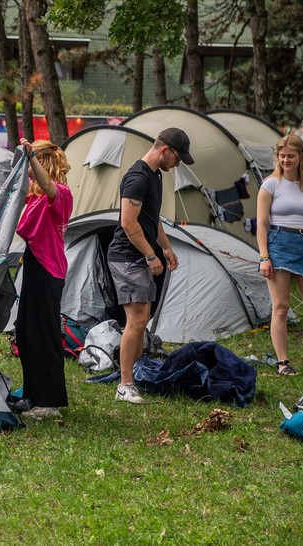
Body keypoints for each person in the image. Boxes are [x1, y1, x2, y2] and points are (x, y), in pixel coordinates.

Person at [108, 127, 195, 404]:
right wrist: (150, 254)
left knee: (141, 319)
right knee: (135, 321)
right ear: (165, 150)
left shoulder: (156, 176)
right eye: (178, 158)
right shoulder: (137, 178)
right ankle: (124, 385)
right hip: (126, 257)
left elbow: (151, 218)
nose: (177, 164)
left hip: (137, 256)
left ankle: (132, 374)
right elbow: (128, 223)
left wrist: (166, 247)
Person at [11, 137, 73, 421]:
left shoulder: (60, 193)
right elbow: (7, 187)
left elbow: (47, 185)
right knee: (25, 331)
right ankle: (32, 395)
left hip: (50, 270)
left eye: (31, 164)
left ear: (42, 163)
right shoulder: (34, 197)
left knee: (44, 334)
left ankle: (50, 402)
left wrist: (30, 157)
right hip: (35, 264)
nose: (27, 171)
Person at [257, 134, 303, 375]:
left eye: (291, 156)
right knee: (281, 307)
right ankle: (282, 362)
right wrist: (264, 257)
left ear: (301, 157)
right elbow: (261, 224)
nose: (286, 160)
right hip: (279, 244)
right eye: (282, 155)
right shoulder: (270, 185)